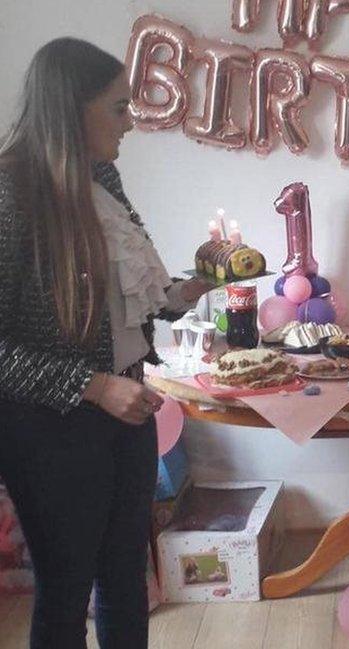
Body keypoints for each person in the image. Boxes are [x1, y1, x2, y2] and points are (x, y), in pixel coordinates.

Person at [0, 38, 211, 648]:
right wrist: (92, 387)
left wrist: (181, 293)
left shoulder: (103, 177)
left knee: (125, 577)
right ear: (72, 109)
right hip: (50, 428)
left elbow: (126, 295)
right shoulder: (11, 195)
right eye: (118, 108)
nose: (131, 122)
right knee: (66, 591)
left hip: (128, 407)